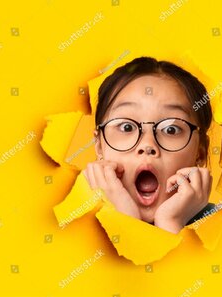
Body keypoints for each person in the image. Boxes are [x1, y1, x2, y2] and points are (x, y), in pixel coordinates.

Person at [83, 57, 214, 234]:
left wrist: (170, 223)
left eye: (171, 129)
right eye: (126, 127)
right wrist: (125, 223)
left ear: (200, 152)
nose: (147, 145)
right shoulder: (71, 226)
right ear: (99, 146)